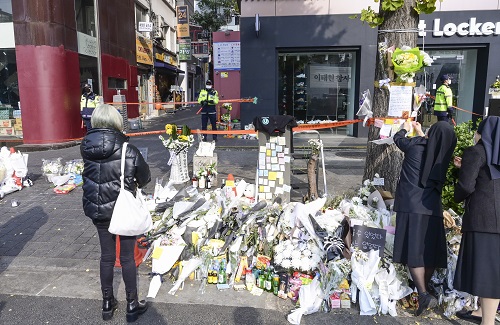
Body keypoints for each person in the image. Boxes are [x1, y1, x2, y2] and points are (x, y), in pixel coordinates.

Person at [80, 104, 151, 322]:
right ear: (117, 122)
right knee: (127, 257)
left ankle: (107, 303)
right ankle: (132, 306)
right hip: (123, 209)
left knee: (107, 256)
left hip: (98, 208)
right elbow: (145, 177)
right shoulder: (128, 149)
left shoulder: (85, 147)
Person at [392, 120, 457, 316]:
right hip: (432, 209)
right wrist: (421, 133)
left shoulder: (415, 145)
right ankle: (426, 288)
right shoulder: (443, 155)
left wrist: (405, 127)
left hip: (412, 206)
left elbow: (398, 139)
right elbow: (433, 145)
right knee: (427, 251)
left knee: (414, 251)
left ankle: (422, 293)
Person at [453, 116, 500, 325]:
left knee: (487, 274)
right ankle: (482, 311)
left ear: (481, 133)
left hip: (482, 221)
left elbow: (466, 186)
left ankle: (487, 322)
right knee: (491, 269)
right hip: (496, 221)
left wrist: (457, 192)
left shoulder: (476, 151)